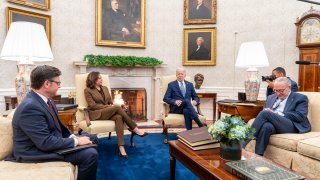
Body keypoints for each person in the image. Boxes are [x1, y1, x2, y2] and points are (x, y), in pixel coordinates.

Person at [12, 65, 98, 180]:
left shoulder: (48, 99)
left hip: (48, 142)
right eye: (57, 83)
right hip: (33, 151)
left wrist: (72, 136)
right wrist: (76, 141)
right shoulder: (30, 107)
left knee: (93, 138)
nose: (59, 86)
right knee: (90, 154)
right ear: (47, 84)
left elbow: (60, 127)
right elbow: (45, 142)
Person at [84, 71, 148, 159]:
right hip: (96, 114)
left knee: (119, 117)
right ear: (93, 79)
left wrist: (110, 106)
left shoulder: (105, 88)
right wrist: (109, 107)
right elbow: (92, 105)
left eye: (101, 77)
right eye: (99, 78)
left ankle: (121, 147)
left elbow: (110, 102)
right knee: (117, 107)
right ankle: (135, 128)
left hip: (107, 112)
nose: (101, 79)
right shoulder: (87, 90)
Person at [244, 77, 311, 156]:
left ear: (289, 87)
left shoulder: (300, 98)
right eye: (275, 90)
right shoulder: (270, 97)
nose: (278, 93)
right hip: (275, 124)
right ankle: (258, 156)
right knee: (266, 126)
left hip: (292, 125)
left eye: (281, 90)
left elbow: (300, 116)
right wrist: (272, 114)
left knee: (265, 113)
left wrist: (277, 113)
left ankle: (242, 144)